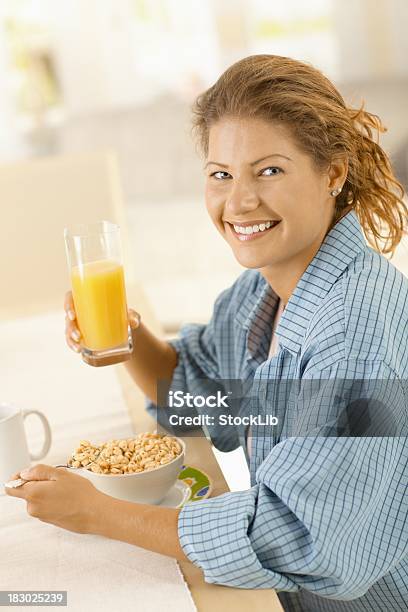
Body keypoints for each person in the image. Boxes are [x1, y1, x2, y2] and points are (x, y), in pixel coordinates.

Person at [7, 55, 407, 611]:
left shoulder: (353, 333)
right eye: (221, 174)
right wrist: (127, 335)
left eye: (268, 170)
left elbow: (302, 535)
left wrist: (100, 512)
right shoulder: (266, 288)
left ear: (333, 173)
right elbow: (198, 397)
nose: (238, 202)